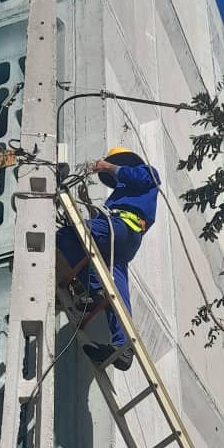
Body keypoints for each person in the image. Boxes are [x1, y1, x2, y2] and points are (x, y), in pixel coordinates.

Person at [57, 147, 161, 371]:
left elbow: (140, 177)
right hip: (124, 240)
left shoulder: (147, 173)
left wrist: (108, 167)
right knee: (117, 292)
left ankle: (94, 290)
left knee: (67, 234)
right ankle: (123, 348)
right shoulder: (125, 193)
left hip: (121, 228)